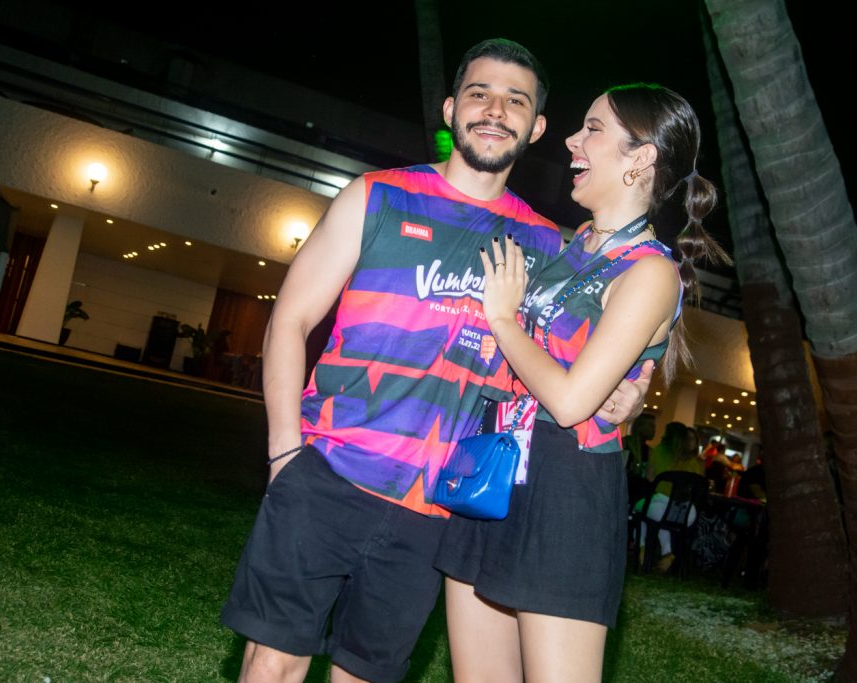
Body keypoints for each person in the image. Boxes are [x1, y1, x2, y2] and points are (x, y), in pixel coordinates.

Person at [218, 38, 652, 683]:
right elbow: (291, 319)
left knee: (365, 675)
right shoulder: (376, 196)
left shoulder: (544, 244)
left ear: (535, 127)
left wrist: (630, 396)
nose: (494, 110)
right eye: (479, 93)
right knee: (272, 663)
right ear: (451, 109)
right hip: (328, 472)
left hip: (437, 513)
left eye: (515, 101)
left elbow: (578, 355)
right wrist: (285, 451)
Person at [434, 82, 729, 682]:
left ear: (641, 158)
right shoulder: (575, 247)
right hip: (496, 464)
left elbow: (571, 402)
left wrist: (502, 319)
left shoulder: (651, 273)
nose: (572, 139)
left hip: (566, 485)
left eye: (593, 129)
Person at [639, 422, 706, 572]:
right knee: (658, 514)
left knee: (639, 510)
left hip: (662, 506)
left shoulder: (658, 451)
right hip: (688, 513)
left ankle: (642, 549)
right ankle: (667, 554)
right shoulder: (693, 462)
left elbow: (649, 477)